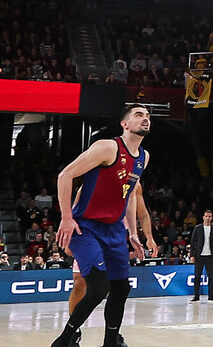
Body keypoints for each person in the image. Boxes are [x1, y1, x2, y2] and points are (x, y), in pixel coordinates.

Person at [50, 105, 150, 347]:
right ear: (124, 124)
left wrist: (133, 233)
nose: (145, 119)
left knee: (121, 288)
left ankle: (110, 342)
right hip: (86, 227)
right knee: (96, 288)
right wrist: (66, 217)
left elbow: (126, 197)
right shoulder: (108, 147)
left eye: (148, 116)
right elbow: (65, 175)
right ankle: (64, 340)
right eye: (139, 115)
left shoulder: (144, 158)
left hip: (115, 229)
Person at [189, 209, 213, 302]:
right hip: (199, 255)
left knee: (211, 276)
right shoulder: (197, 228)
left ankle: (211, 296)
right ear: (203, 217)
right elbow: (193, 241)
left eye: (209, 216)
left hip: (210, 255)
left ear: (211, 218)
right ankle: (196, 296)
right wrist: (192, 255)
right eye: (206, 216)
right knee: (197, 276)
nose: (207, 218)